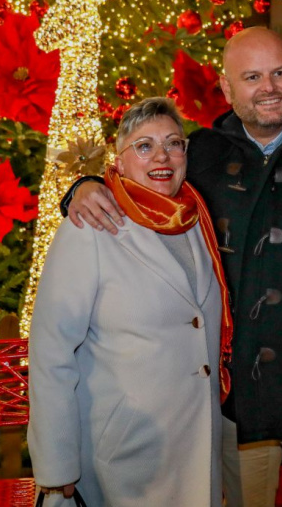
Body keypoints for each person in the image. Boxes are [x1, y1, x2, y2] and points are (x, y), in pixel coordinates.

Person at [64, 27, 282, 507]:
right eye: (252, 77)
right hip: (235, 400)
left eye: (279, 73)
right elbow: (144, 185)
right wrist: (83, 187)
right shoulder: (202, 152)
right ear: (227, 88)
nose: (269, 88)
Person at [29, 97, 232, 506]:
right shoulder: (89, 228)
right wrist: (57, 465)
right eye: (144, 146)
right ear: (119, 162)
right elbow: (51, 351)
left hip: (196, 446)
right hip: (126, 456)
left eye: (173, 143)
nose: (162, 156)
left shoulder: (197, 218)